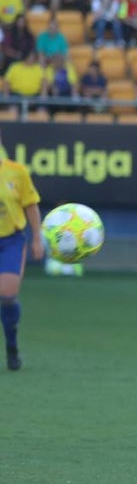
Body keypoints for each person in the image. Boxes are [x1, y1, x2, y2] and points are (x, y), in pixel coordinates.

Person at [0, 129, 43, 371]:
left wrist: (37, 238)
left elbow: (31, 205)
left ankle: (11, 345)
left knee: (7, 296)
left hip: (10, 240)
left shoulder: (16, 172)